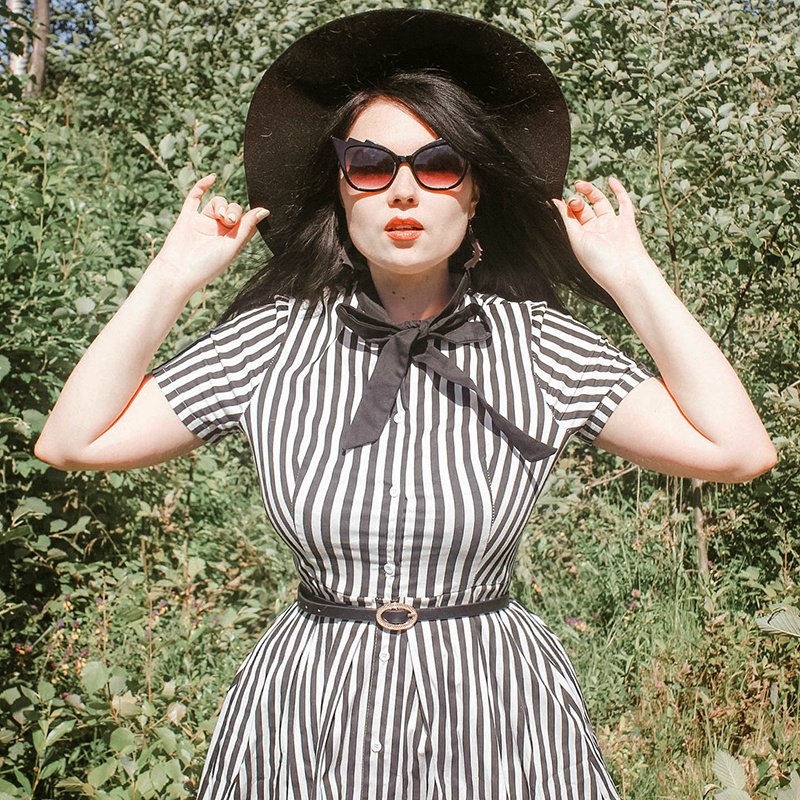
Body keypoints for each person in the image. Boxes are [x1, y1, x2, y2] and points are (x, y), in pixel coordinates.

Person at [35, 9, 776, 799]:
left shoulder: (536, 345)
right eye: (370, 164)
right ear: (341, 187)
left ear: (475, 192)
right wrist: (172, 275)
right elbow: (73, 440)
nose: (403, 191)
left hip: (494, 712)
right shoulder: (272, 340)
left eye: (439, 164)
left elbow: (738, 451)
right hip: (311, 712)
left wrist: (629, 275)